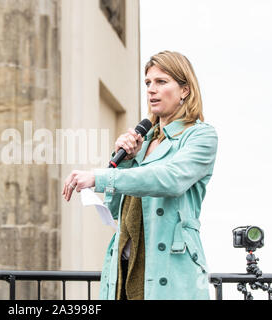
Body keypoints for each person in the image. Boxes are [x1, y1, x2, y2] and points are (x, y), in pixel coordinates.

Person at [62, 51, 218, 300]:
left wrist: (100, 177)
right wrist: (124, 162)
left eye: (161, 82)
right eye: (148, 83)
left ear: (184, 90)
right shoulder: (142, 143)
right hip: (125, 270)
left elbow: (170, 180)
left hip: (169, 270)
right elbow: (117, 212)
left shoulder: (200, 136)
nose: (151, 90)